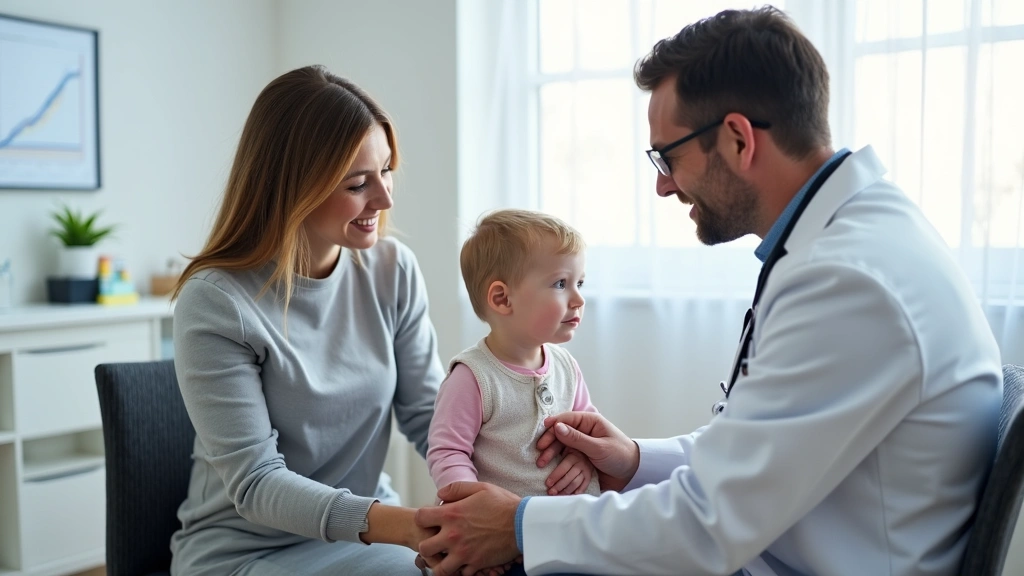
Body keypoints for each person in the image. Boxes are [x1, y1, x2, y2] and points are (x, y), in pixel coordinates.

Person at [413, 6, 1003, 576]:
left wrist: (519, 525)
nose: (664, 186)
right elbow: (757, 450)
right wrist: (636, 461)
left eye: (666, 157)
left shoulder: (849, 283)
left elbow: (708, 524)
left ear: (739, 140)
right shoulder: (850, 242)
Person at [170, 65, 445, 575]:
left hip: (366, 536)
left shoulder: (392, 269)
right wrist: (409, 526)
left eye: (386, 170)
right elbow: (257, 483)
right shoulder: (216, 302)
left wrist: (492, 488)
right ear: (293, 186)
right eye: (358, 183)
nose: (384, 198)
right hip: (245, 552)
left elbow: (430, 414)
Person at [426, 209, 600, 502]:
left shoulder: (566, 367)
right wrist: (474, 503)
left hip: (566, 525)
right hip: (499, 533)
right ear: (502, 299)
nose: (579, 299)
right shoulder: (473, 377)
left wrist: (584, 457)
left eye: (579, 283)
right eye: (561, 284)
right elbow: (448, 452)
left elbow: (590, 430)